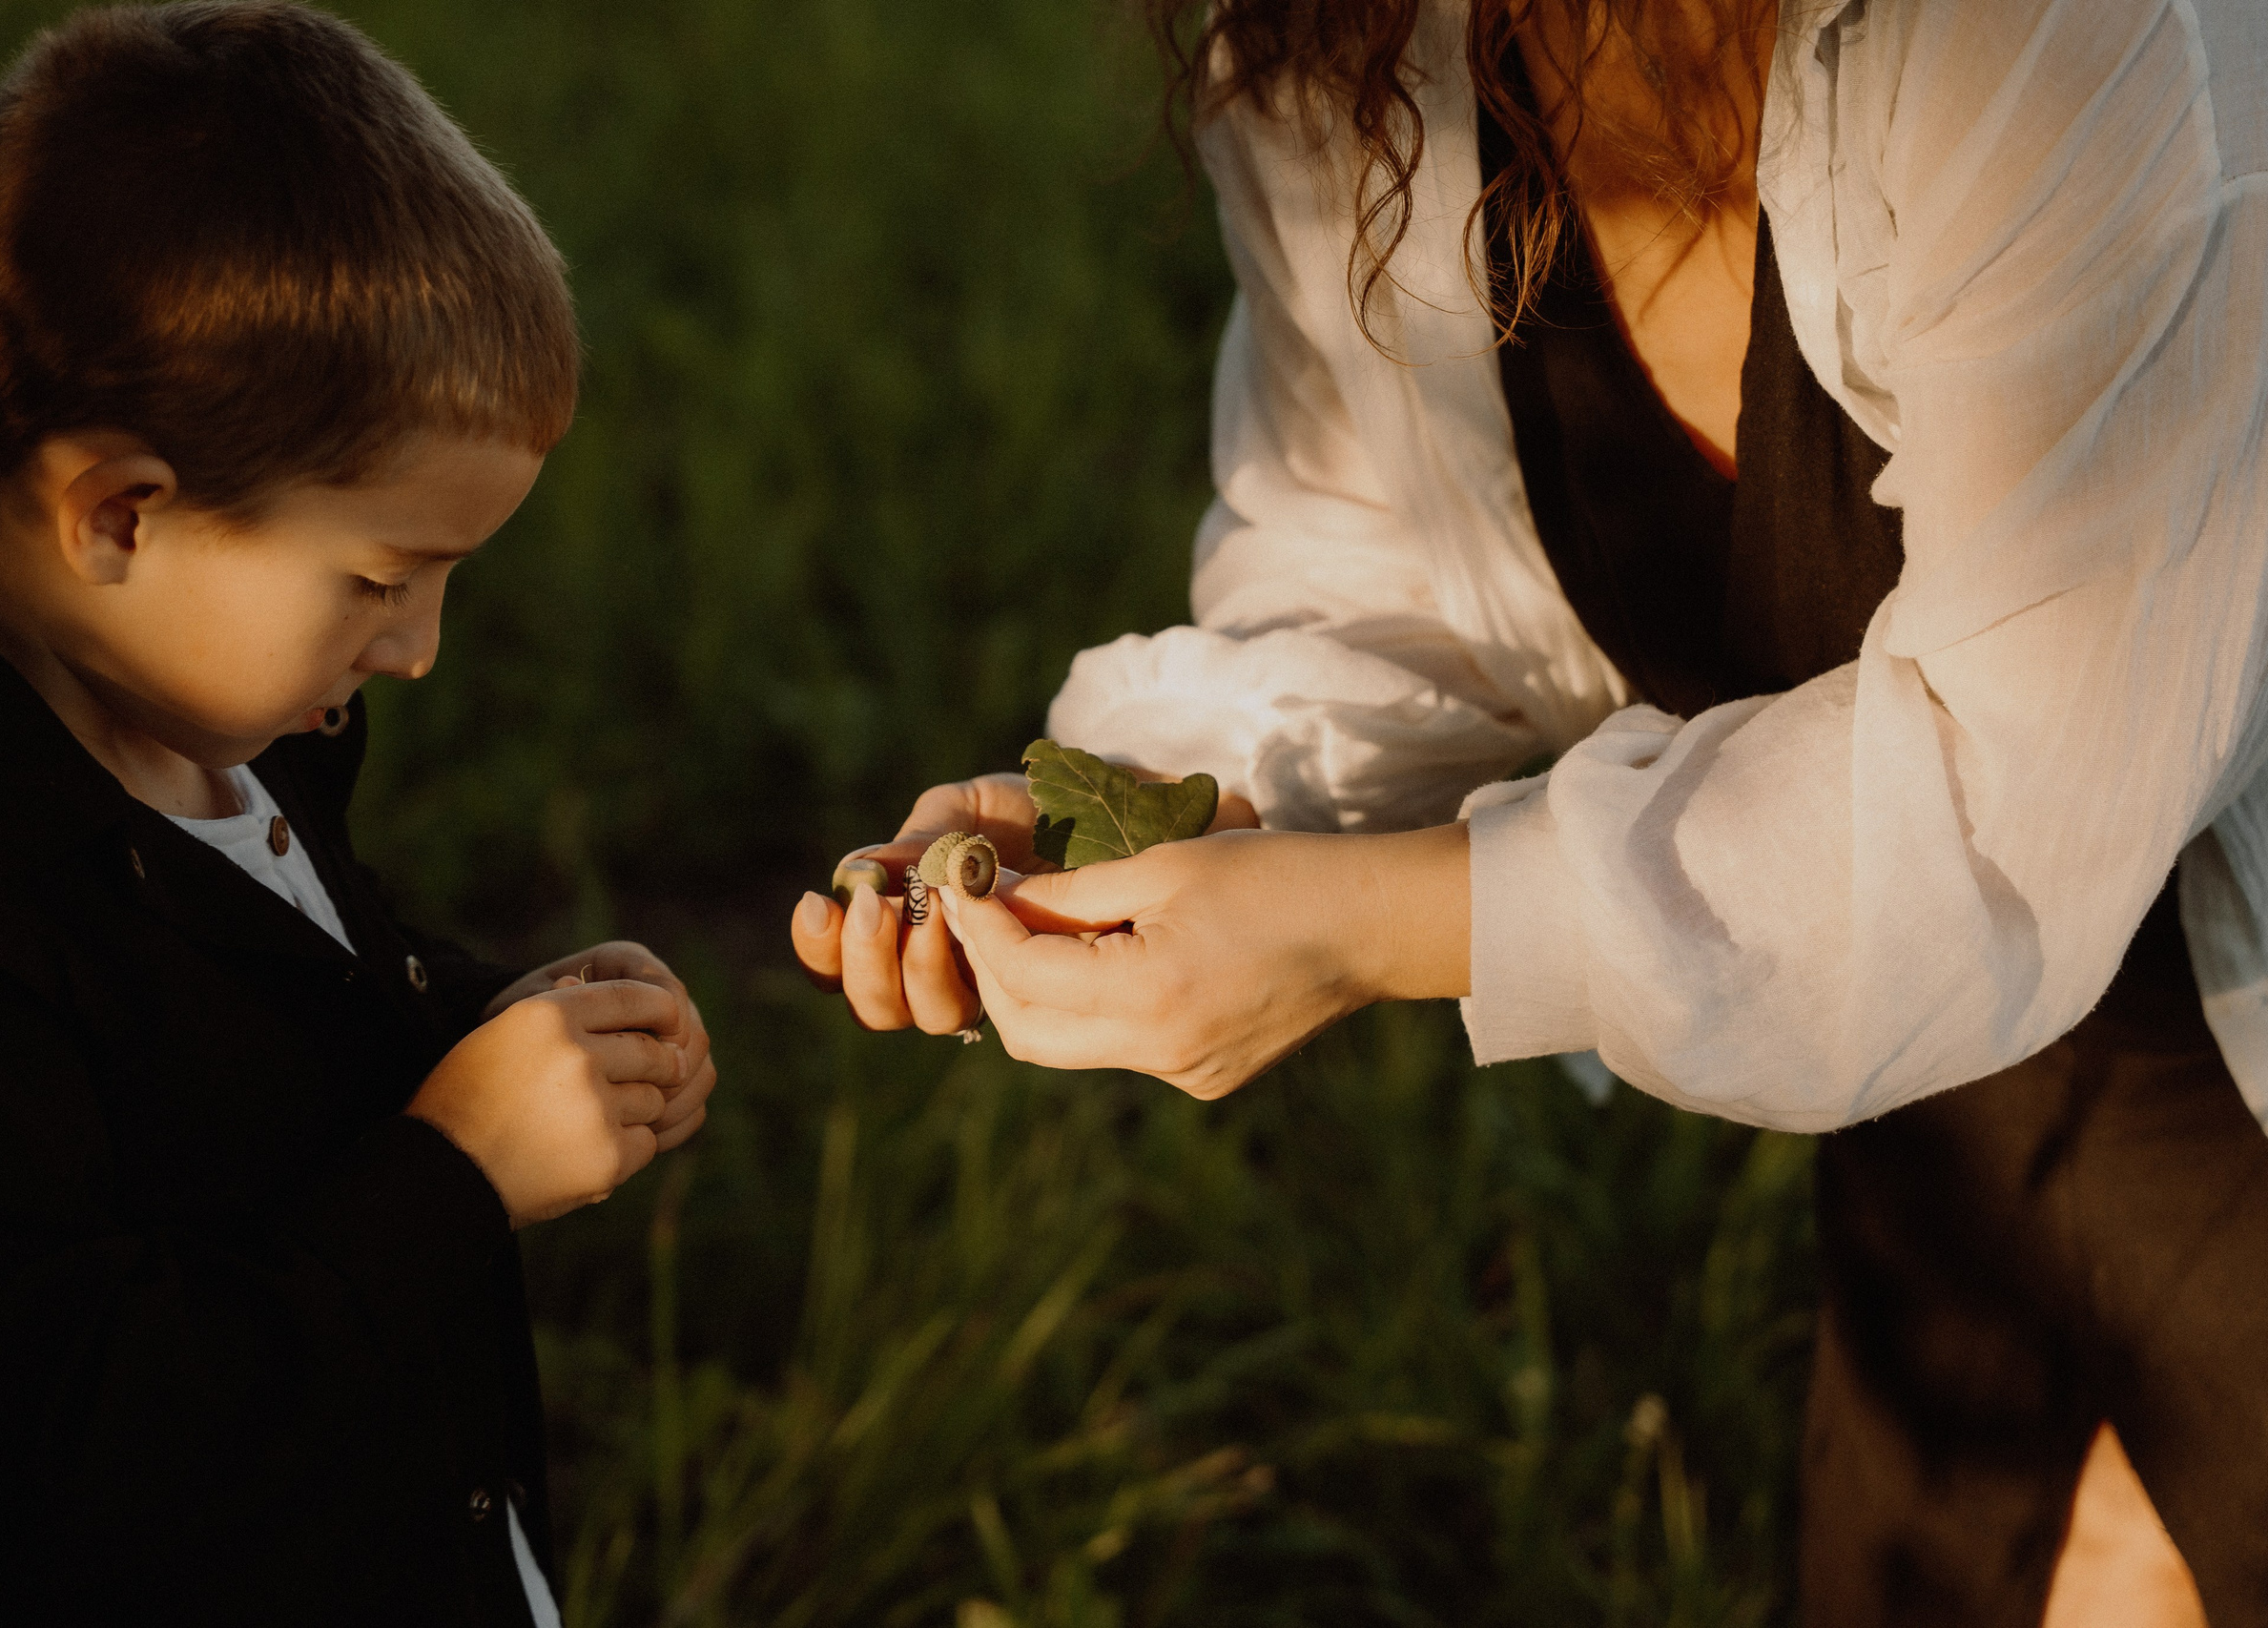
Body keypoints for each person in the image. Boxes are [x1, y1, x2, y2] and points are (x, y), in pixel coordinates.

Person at [794, 0, 2268, 1621]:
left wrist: (1382, 926)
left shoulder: (2070, 38)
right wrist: (1160, 817)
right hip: (1938, 1106)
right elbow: (1393, 566)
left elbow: (2012, 777)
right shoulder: (1337, 44)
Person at [0, 6, 715, 1623]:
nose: (420, 649)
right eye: (381, 579)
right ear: (120, 512)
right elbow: (67, 1455)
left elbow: (273, 999)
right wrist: (452, 1172)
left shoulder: (217, 714)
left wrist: (480, 1020)